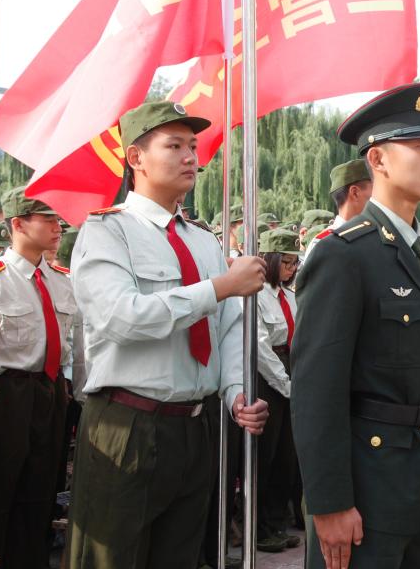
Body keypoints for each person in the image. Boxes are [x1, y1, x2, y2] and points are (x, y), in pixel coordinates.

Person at [67, 101, 268, 569]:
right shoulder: (107, 232)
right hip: (128, 425)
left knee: (179, 557)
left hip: (195, 428)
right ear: (136, 158)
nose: (190, 157)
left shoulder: (202, 240)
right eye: (174, 146)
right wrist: (218, 287)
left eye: (193, 146)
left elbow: (228, 326)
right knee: (111, 559)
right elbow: (121, 318)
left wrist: (236, 392)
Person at [291, 83, 420, 569]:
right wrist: (329, 503)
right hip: (367, 490)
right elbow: (316, 390)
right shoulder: (343, 254)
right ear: (378, 159)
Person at [0, 187, 75, 568]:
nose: (58, 228)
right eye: (47, 219)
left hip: (51, 391)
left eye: (58, 220)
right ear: (18, 224)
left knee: (42, 491)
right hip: (7, 396)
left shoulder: (61, 279)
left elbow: (71, 343)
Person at [254, 228, 302, 552]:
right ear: (270, 260)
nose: (291, 268)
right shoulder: (256, 294)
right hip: (268, 378)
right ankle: (258, 527)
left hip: (291, 368)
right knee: (265, 456)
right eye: (285, 262)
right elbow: (260, 347)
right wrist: (284, 384)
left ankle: (276, 523)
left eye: (294, 262)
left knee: (287, 455)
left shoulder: (290, 296)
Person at [305, 159, 373, 260]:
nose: (377, 197)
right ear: (355, 193)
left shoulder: (374, 237)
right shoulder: (323, 243)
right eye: (374, 189)